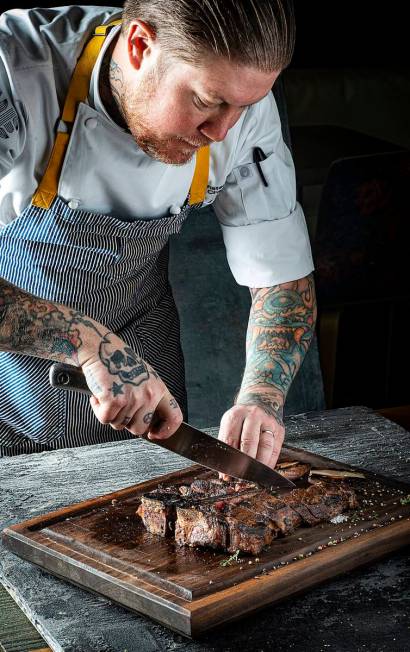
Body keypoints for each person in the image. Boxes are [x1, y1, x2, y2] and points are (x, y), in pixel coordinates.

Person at [0, 0, 316, 463]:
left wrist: (262, 395)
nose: (222, 132)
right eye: (207, 102)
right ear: (139, 45)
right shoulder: (17, 71)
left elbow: (283, 277)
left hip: (146, 367)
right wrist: (90, 343)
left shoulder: (241, 116)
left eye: (242, 108)